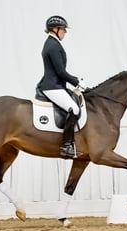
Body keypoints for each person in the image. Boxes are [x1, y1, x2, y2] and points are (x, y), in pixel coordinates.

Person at [36, 15, 82, 158]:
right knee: (74, 109)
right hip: (52, 86)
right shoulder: (53, 45)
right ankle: (67, 146)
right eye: (63, 30)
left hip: (56, 85)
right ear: (55, 29)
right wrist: (77, 82)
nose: (65, 32)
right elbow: (60, 72)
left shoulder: (52, 43)